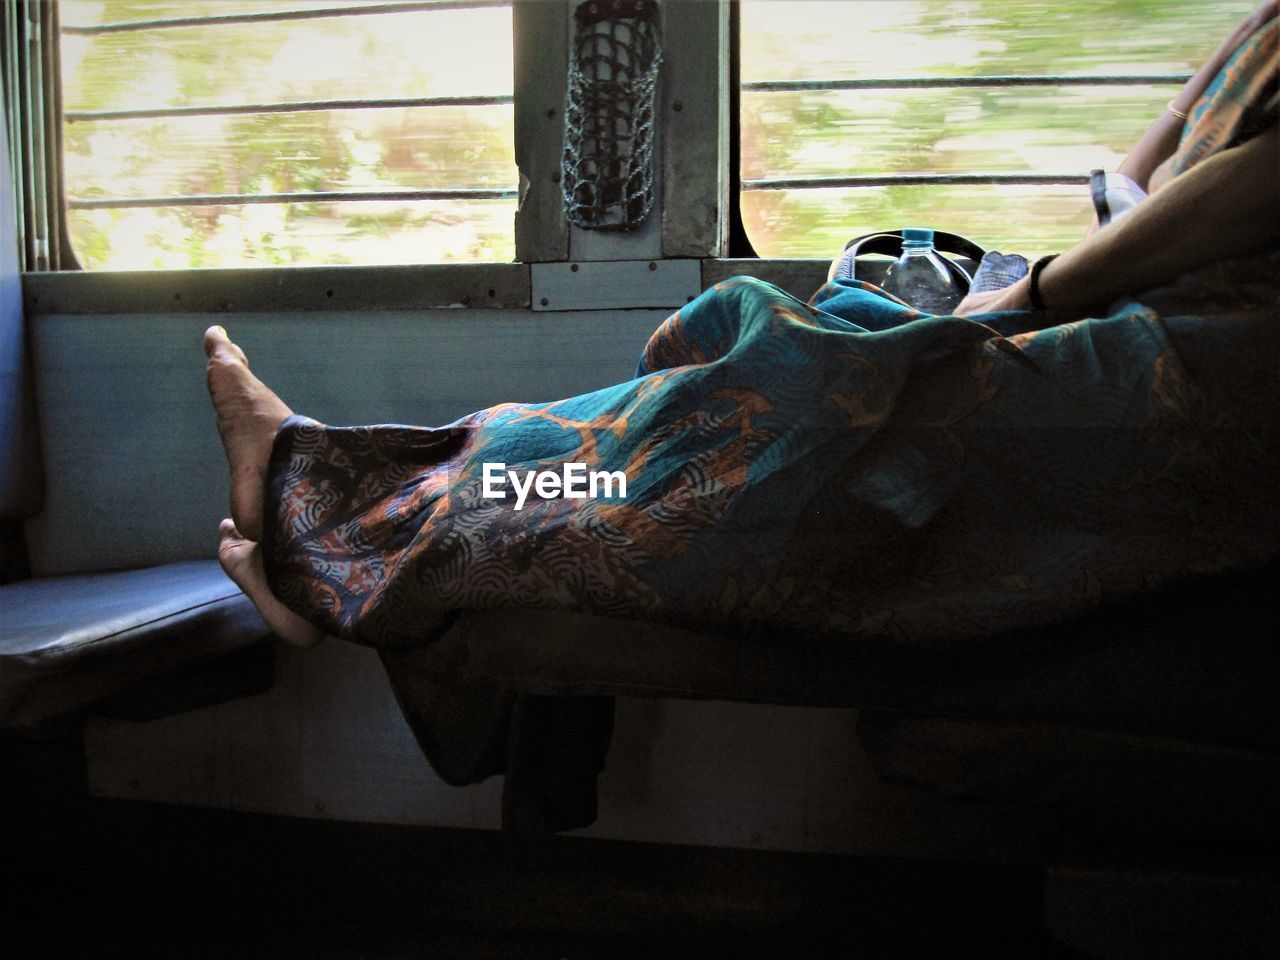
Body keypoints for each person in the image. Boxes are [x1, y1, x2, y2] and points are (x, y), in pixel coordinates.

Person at [207, 5, 1278, 654]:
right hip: (1160, 334)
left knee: (752, 411)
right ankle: (337, 525)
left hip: (1210, 389)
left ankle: (327, 521)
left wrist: (1035, 294)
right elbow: (1156, 158)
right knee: (731, 371)